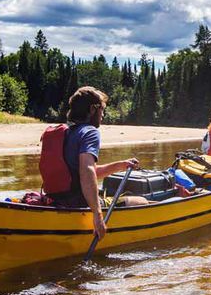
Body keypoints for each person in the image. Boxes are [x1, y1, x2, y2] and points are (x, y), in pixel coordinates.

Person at [51, 86, 148, 240]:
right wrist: (97, 215)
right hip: (78, 203)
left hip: (58, 199)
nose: (103, 114)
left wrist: (121, 165)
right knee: (141, 202)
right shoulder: (90, 132)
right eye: (102, 109)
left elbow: (88, 171)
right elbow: (87, 170)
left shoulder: (68, 132)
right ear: (92, 109)